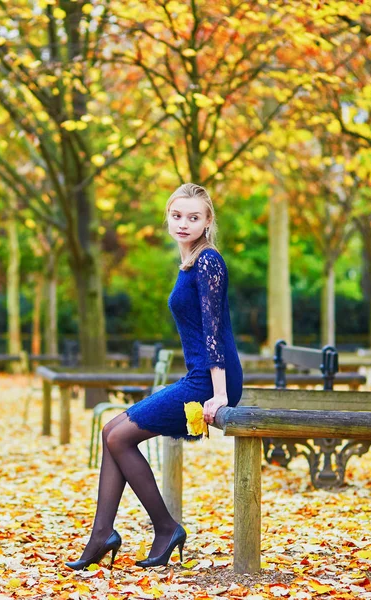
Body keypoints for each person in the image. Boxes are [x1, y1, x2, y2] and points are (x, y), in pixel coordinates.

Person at [66, 183, 243, 571]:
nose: (183, 223)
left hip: (210, 382)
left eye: (193, 217)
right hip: (199, 376)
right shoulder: (190, 262)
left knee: (118, 435)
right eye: (177, 216)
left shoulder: (209, 262)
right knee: (111, 431)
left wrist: (219, 395)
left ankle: (164, 528)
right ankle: (103, 534)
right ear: (168, 217)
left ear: (207, 221)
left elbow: (214, 332)